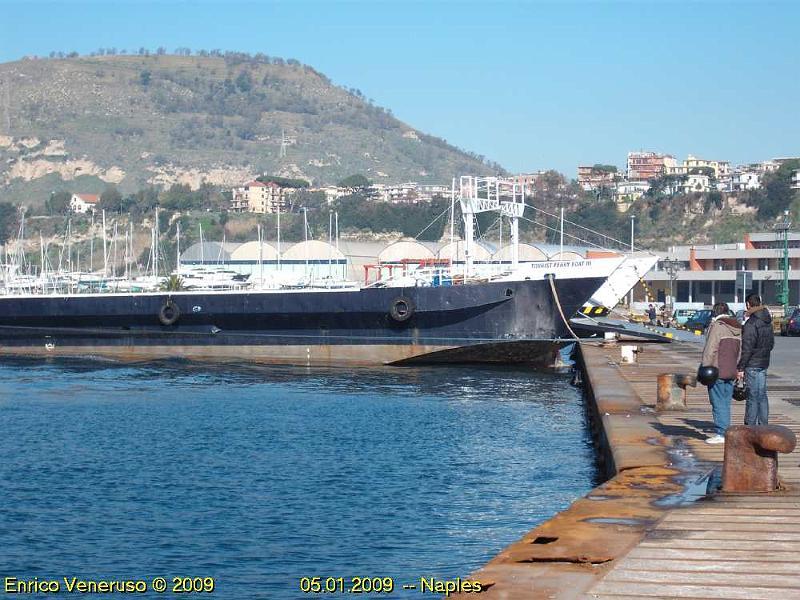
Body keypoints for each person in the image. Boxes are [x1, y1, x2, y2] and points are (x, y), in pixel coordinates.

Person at [700, 302, 741, 444]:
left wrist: (705, 367)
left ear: (715, 312)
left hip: (717, 370)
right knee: (725, 402)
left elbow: (710, 349)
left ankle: (721, 433)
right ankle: (725, 430)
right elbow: (740, 351)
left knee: (717, 402)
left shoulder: (717, 326)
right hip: (731, 370)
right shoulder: (737, 327)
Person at [737, 293, 774, 426]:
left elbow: (747, 348)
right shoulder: (767, 321)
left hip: (752, 364)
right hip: (763, 363)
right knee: (762, 395)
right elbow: (771, 344)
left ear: (748, 304)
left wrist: (740, 368)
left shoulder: (751, 324)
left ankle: (750, 427)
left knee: (752, 396)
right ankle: (763, 425)